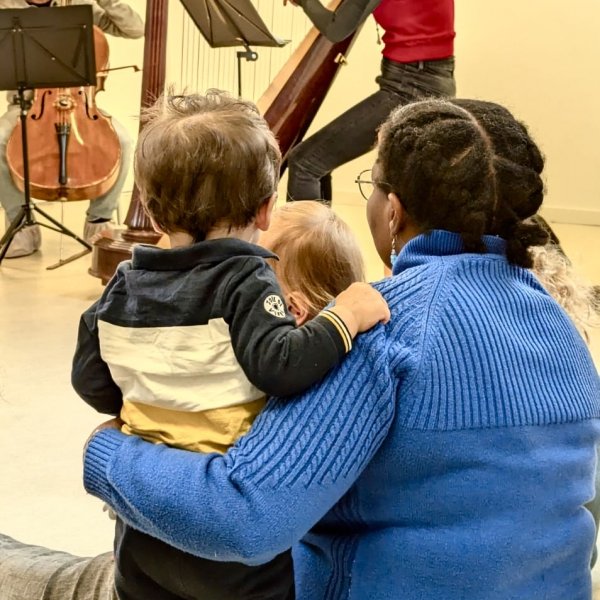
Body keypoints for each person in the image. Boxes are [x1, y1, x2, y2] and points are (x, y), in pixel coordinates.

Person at [81, 98, 600, 599]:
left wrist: (104, 454)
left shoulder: (384, 324)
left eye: (370, 185)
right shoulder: (560, 318)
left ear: (392, 212)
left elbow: (242, 518)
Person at [71, 92, 389, 600]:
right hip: (232, 559)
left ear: (152, 213)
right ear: (265, 210)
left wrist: (149, 402)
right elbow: (281, 367)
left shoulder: (124, 283)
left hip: (143, 535)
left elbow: (88, 375)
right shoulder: (246, 279)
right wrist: (343, 319)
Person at [0, 200, 369, 600]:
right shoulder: (281, 381)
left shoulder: (287, 406)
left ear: (293, 312)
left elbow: (227, 513)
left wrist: (105, 447)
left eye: (231, 277)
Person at [0, 0, 144, 258]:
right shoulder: (6, 8)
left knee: (121, 141)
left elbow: (135, 29)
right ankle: (22, 226)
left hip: (81, 104)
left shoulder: (79, 5)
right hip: (28, 105)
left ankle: (99, 222)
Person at [285, 0, 456, 203]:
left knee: (305, 163)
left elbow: (336, 28)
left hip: (411, 87)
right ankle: (324, 234)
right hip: (429, 79)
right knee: (316, 161)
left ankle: (308, 234)